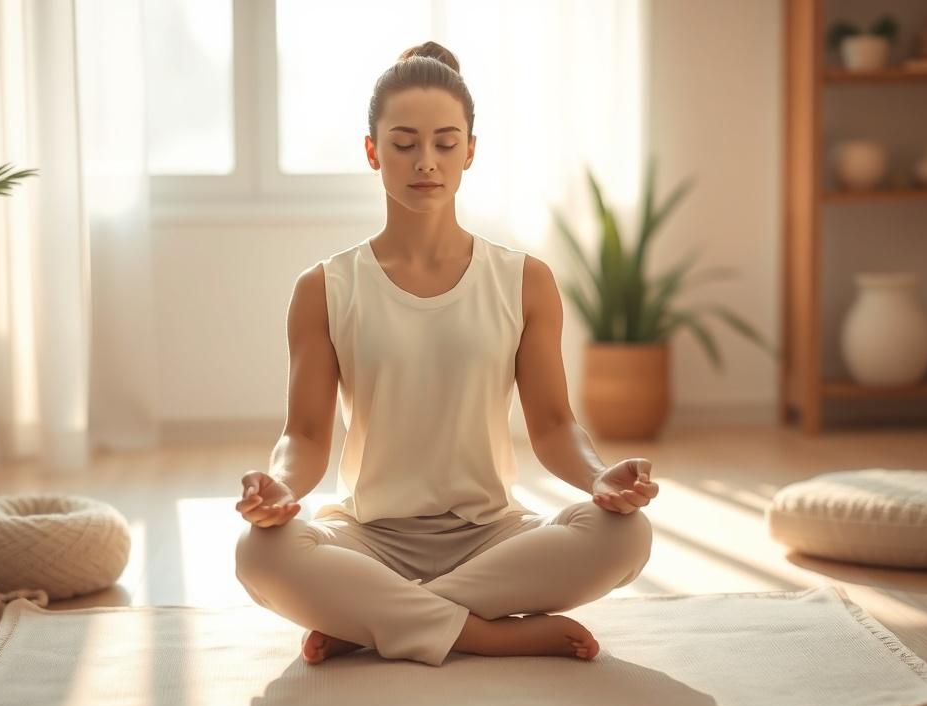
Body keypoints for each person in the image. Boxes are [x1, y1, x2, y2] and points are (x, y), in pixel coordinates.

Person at [234, 41, 657, 668]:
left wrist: (598, 477)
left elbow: (552, 424)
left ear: (470, 151)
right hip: (370, 537)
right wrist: (279, 488)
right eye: (403, 144)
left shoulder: (524, 280)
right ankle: (485, 634)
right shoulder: (324, 288)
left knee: (627, 536)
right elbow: (304, 434)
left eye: (445, 143)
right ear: (372, 151)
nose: (425, 162)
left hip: (491, 538)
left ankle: (372, 622)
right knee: (259, 553)